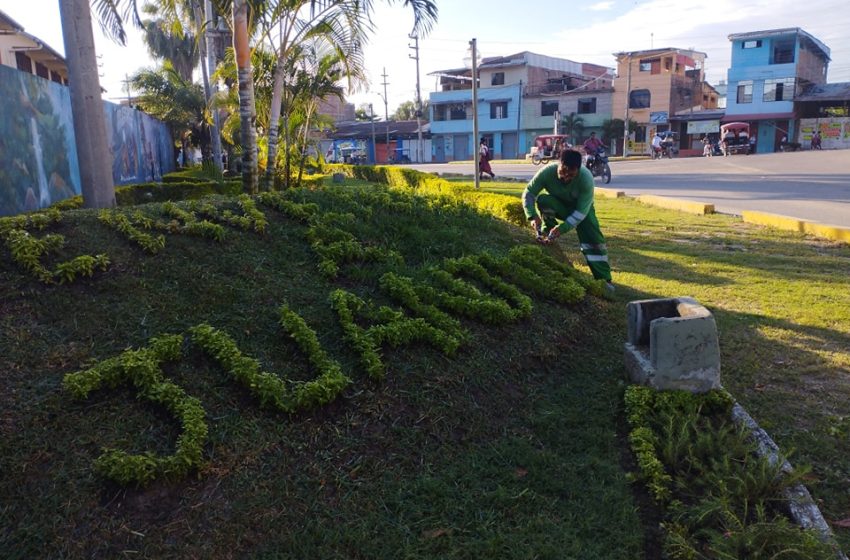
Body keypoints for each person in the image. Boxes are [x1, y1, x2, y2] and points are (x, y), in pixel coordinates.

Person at [522, 149, 614, 292]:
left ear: (577, 171)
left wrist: (563, 228)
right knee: (544, 200)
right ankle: (547, 233)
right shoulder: (547, 172)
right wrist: (532, 215)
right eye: (563, 172)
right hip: (559, 205)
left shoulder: (586, 178)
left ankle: (604, 279)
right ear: (559, 164)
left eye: (571, 175)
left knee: (592, 239)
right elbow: (529, 193)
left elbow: (580, 213)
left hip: (582, 211)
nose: (566, 178)